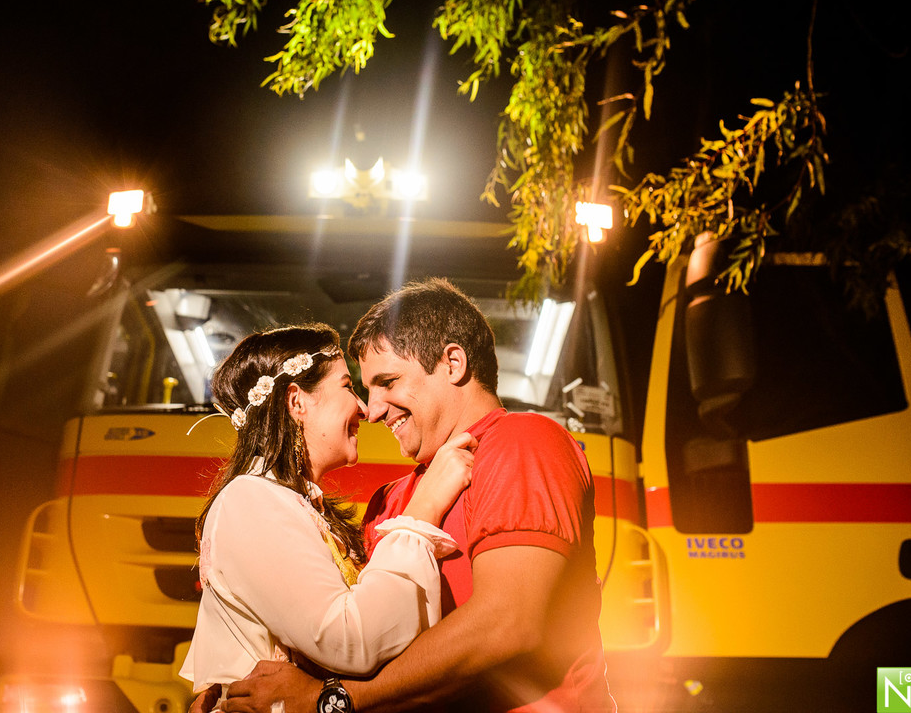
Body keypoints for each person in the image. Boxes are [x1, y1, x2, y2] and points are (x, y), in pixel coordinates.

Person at [218, 279, 616, 713]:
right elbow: (360, 642)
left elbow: (507, 624)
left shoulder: (522, 441)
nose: (371, 410)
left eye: (387, 381)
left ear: (453, 362)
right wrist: (232, 688)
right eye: (363, 388)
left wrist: (335, 700)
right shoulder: (388, 501)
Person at [179, 323, 476, 705]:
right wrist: (422, 511)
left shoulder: (293, 504)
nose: (366, 410)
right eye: (348, 387)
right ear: (296, 401)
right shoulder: (248, 498)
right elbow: (351, 641)